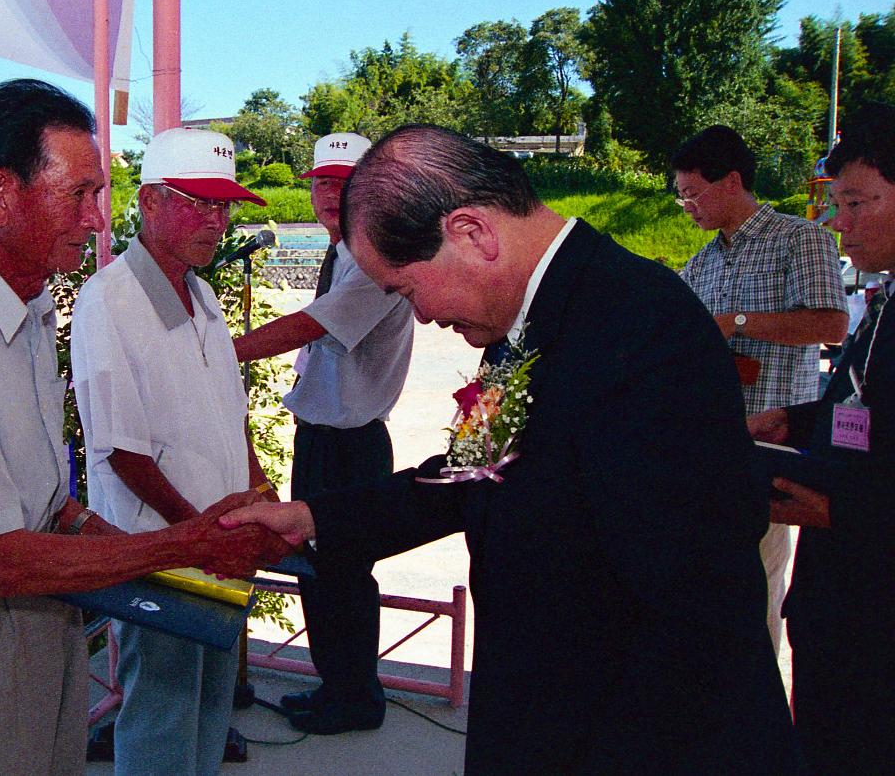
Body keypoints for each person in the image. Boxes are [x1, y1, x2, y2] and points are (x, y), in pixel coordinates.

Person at [222, 125, 802, 773]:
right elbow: (470, 470)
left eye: (410, 289)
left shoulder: (647, 329)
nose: (420, 318)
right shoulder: (516, 336)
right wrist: (314, 518)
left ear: (472, 233)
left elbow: (697, 624)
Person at [0, 80, 289, 776]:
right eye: (77, 195)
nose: (95, 220)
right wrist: (184, 542)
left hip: (47, 606)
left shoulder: (30, 306)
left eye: (98, 194)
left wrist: (183, 561)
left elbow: (54, 505)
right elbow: (5, 557)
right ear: (3, 195)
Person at [71, 127, 278, 776]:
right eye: (199, 202)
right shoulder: (109, 301)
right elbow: (122, 453)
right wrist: (197, 534)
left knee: (210, 713)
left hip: (219, 551)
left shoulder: (203, 294)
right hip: (162, 554)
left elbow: (231, 416)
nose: (216, 221)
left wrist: (259, 500)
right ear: (151, 202)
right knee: (161, 721)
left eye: (223, 206)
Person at [232, 132, 413, 734]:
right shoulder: (339, 252)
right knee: (318, 568)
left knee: (346, 573)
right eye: (322, 183)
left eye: (346, 183)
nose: (331, 195)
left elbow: (308, 326)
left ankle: (357, 697)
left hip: (351, 444)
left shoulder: (373, 256)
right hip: (322, 436)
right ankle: (335, 685)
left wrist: (219, 351)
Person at [747, 106, 895, 774]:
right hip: (838, 614)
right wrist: (797, 421)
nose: (839, 222)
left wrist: (842, 510)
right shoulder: (884, 298)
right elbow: (869, 406)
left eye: (858, 202)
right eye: (837, 203)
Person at [673, 125, 848, 656]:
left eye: (693, 194)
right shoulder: (699, 264)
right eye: (680, 198)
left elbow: (831, 325)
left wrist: (738, 323)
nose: (688, 207)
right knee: (706, 588)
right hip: (708, 446)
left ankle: (757, 719)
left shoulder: (802, 239)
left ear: (731, 181)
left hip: (772, 444)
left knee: (759, 589)